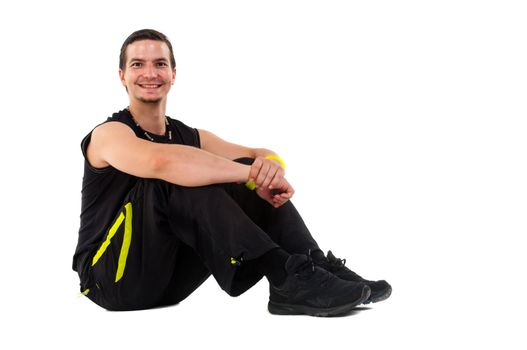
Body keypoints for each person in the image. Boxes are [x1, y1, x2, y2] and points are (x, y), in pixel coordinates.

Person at [72, 29, 391, 317]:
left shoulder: (190, 135)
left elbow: (258, 155)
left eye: (160, 64)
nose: (150, 73)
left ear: (173, 74)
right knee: (177, 178)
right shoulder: (109, 134)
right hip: (109, 280)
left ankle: (313, 267)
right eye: (138, 64)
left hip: (169, 282)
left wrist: (268, 171)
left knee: (223, 170)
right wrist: (247, 174)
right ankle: (283, 275)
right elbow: (161, 163)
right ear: (122, 76)